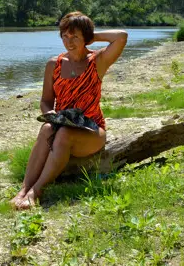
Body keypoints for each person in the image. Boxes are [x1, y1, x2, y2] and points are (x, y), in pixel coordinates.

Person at [11, 12, 127, 210]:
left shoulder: (97, 61)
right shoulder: (53, 65)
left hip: (92, 131)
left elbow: (122, 36)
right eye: (65, 36)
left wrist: (91, 35)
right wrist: (50, 115)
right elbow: (46, 101)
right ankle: (23, 190)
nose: (69, 42)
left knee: (63, 133)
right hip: (62, 124)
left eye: (75, 36)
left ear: (85, 37)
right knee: (47, 128)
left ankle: (36, 191)